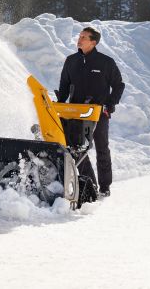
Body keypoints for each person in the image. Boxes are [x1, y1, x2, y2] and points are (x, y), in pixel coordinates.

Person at [56, 26, 125, 197]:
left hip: (99, 113)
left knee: (102, 148)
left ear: (93, 42)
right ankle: (90, 183)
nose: (79, 40)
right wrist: (59, 104)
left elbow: (118, 85)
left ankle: (105, 186)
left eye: (84, 37)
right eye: (79, 36)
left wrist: (109, 105)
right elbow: (64, 86)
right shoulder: (71, 61)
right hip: (76, 113)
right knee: (77, 149)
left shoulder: (106, 62)